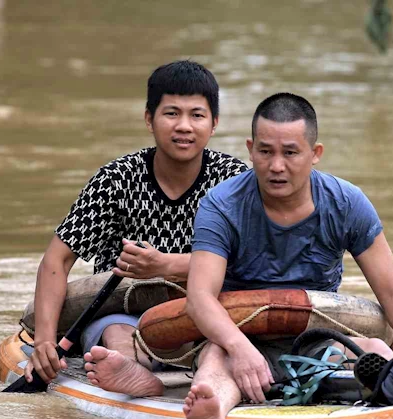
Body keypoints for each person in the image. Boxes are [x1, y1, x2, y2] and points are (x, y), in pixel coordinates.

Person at [182, 93, 393, 419]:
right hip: (240, 336)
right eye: (265, 152)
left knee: (375, 351)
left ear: (315, 154)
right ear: (250, 149)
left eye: (290, 153)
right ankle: (212, 413)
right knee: (215, 360)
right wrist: (240, 348)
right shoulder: (221, 205)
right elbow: (200, 297)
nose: (276, 166)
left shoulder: (347, 203)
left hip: (317, 337)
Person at [23, 60, 248, 397]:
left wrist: (165, 265)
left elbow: (254, 259)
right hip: (123, 312)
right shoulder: (115, 180)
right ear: (149, 119)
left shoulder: (234, 181)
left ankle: (211, 383)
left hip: (207, 311)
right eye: (171, 113)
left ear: (214, 123)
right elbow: (57, 260)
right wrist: (43, 342)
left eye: (197, 115)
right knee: (116, 336)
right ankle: (130, 372)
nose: (184, 126)